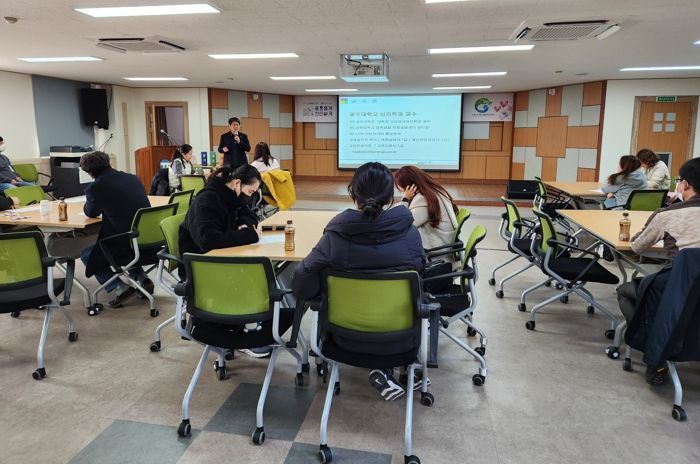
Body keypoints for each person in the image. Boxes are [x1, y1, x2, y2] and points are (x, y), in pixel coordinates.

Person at [292, 162, 426, 401]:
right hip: (400, 341)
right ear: (390, 197)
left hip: (344, 341)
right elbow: (419, 277)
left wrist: (322, 294)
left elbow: (302, 282)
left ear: (353, 193)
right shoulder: (410, 234)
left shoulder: (334, 237)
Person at [616, 157, 700, 385]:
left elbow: (637, 246)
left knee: (625, 291)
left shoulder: (668, 214)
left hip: (678, 289)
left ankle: (653, 346)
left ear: (686, 185)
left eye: (679, 180)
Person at [179, 164, 269, 358]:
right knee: (254, 276)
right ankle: (241, 334)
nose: (250, 197)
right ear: (237, 183)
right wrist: (248, 235)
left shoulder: (230, 196)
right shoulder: (207, 201)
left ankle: (251, 324)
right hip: (201, 266)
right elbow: (209, 241)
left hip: (220, 259)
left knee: (261, 272)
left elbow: (248, 213)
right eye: (250, 191)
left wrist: (244, 223)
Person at [79, 151, 152, 308]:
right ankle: (142, 278)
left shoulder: (96, 187)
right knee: (127, 235)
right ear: (108, 163)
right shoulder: (132, 178)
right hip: (149, 241)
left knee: (87, 255)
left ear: (89, 172)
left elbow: (90, 212)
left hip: (127, 244)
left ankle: (120, 287)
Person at [394, 165, 459, 267]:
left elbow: (403, 224)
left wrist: (405, 199)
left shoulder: (423, 199)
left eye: (400, 188)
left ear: (409, 187)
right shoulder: (434, 191)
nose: (400, 191)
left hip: (436, 255)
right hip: (443, 246)